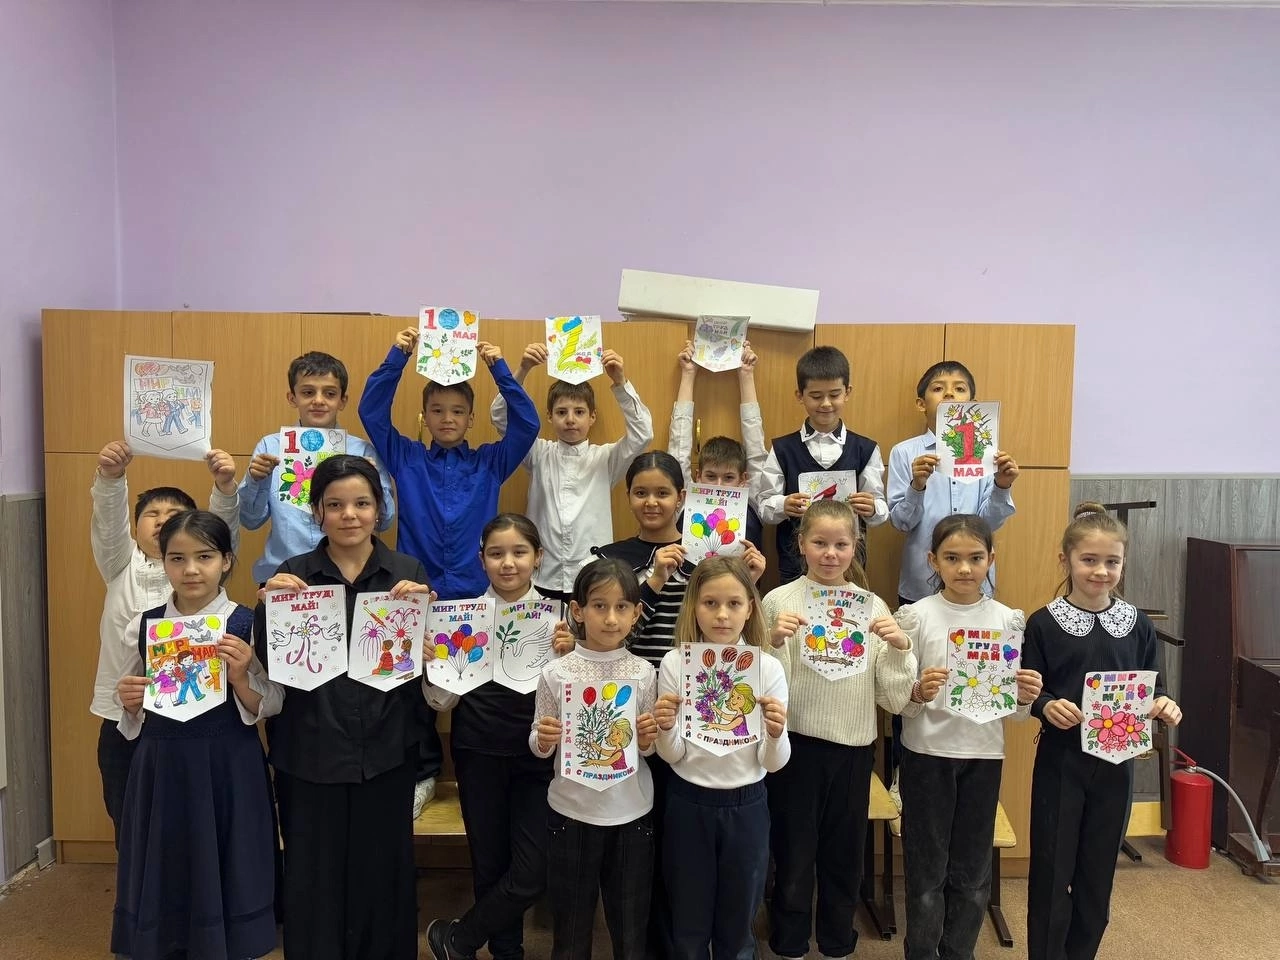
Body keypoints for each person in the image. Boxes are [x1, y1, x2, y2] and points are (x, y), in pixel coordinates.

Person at [254, 455, 433, 960]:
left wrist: (428, 624)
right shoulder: (292, 575)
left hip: (387, 748)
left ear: (378, 510)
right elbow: (271, 665)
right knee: (313, 874)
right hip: (309, 749)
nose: (348, 515)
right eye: (334, 505)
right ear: (317, 512)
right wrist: (267, 607)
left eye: (361, 503)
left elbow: (426, 668)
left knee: (384, 871)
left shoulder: (407, 574)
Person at [360, 329, 538, 817]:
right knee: (412, 691)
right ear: (425, 416)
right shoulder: (406, 457)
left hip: (477, 597)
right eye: (437, 410)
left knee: (475, 690)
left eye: (457, 411)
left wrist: (500, 369)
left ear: (470, 418)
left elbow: (527, 424)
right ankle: (422, 775)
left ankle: (475, 777)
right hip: (416, 595)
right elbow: (371, 412)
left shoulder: (490, 463)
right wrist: (398, 356)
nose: (447, 419)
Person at [594, 451, 766, 958]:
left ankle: (695, 942)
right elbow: (615, 637)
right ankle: (657, 946)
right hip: (633, 709)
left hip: (698, 717)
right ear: (627, 497)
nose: (652, 502)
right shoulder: (613, 558)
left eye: (663, 493)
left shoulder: (708, 558)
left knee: (690, 851)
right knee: (651, 850)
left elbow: (732, 628)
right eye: (641, 493)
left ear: (683, 498)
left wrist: (751, 579)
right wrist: (651, 581)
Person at [111, 510, 280, 960]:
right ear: (162, 562)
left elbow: (271, 702)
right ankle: (164, 937)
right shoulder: (144, 625)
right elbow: (128, 702)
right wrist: (129, 701)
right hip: (163, 761)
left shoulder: (247, 622)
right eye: (177, 558)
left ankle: (231, 941)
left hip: (229, 760)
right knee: (167, 850)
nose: (190, 570)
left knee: (230, 852)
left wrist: (241, 677)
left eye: (204, 557)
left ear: (226, 561)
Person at [1022, 503, 1182, 960]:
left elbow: (1154, 688)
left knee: (1097, 876)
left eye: (1112, 561)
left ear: (1123, 563)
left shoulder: (1138, 625)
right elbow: (1027, 690)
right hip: (1061, 763)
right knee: (1052, 872)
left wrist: (1164, 705)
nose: (1101, 571)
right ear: (1066, 560)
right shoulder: (1043, 623)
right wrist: (1045, 704)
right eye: (1089, 560)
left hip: (1117, 766)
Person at [761, 500, 916, 960]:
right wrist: (773, 642)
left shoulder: (872, 607)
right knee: (793, 851)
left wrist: (900, 648)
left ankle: (836, 940)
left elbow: (892, 698)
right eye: (820, 543)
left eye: (841, 544)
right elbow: (761, 687)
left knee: (844, 853)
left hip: (853, 748)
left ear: (855, 547)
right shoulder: (778, 602)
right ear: (801, 544)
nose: (830, 553)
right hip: (795, 745)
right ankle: (789, 941)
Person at [893, 514, 1042, 960]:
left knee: (973, 872)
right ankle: (921, 952)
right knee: (926, 871)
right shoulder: (916, 617)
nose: (964, 568)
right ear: (932, 561)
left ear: (991, 560)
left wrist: (1024, 696)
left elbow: (1014, 712)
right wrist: (917, 690)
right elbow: (898, 696)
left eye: (976, 558)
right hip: (926, 755)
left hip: (983, 756)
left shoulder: (1007, 620)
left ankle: (960, 952)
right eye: (952, 558)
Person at [424, 514, 573, 960]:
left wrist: (571, 656)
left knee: (533, 869)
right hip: (478, 751)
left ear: (538, 557)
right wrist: (435, 665)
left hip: (539, 756)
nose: (508, 563)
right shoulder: (461, 616)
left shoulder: (562, 618)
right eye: (496, 554)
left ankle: (459, 938)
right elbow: (440, 702)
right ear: (482, 560)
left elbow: (578, 695)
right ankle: (507, 952)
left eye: (519, 552)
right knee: (489, 862)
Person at [90, 439, 240, 848]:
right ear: (135, 527)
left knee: (189, 822)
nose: (161, 521)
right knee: (129, 816)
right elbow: (108, 523)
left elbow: (221, 532)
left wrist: (225, 488)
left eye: (174, 515)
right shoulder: (120, 565)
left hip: (195, 714)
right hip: (125, 714)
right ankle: (137, 887)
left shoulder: (203, 574)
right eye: (151, 515)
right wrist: (111, 478)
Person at [654, 556, 790, 960]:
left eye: (734, 603)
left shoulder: (767, 669)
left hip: (747, 805)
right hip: (688, 802)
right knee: (688, 919)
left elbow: (774, 763)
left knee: (738, 920)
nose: (722, 615)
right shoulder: (675, 663)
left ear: (750, 609)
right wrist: (665, 727)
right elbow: (672, 754)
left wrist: (775, 733)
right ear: (694, 607)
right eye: (710, 603)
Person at [529, 558, 660, 960]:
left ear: (636, 613)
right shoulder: (556, 672)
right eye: (600, 606)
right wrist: (543, 739)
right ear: (578, 610)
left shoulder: (643, 672)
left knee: (631, 930)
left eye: (622, 607)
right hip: (571, 814)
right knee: (570, 930)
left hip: (631, 814)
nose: (611, 618)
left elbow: (647, 748)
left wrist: (648, 739)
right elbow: (538, 740)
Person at [489, 343, 653, 604]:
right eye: (561, 412)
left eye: (579, 412)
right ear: (549, 417)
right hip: (543, 576)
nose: (570, 419)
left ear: (592, 417)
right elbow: (500, 417)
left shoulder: (606, 458)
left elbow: (643, 434)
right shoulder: (538, 452)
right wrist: (523, 370)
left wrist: (620, 382)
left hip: (592, 575)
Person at [238, 350, 396, 584]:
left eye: (330, 393)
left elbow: (385, 521)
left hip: (348, 579)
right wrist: (255, 480)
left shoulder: (361, 452)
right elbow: (250, 520)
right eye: (308, 392)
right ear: (292, 397)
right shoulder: (271, 447)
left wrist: (374, 485)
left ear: (342, 401)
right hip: (284, 579)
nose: (319, 400)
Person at [886, 360, 1019, 607]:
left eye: (959, 389)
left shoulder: (987, 454)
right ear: (921, 404)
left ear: (973, 404)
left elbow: (989, 524)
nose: (949, 394)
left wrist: (1002, 486)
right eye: (938, 388)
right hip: (921, 581)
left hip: (974, 581)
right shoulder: (904, 453)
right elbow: (901, 522)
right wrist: (917, 487)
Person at [755, 345, 887, 583]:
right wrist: (784, 504)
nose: (826, 403)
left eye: (834, 394)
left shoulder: (865, 449)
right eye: (816, 396)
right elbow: (764, 507)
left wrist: (872, 508)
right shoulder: (783, 449)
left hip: (849, 568)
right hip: (795, 566)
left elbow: (880, 509)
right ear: (800, 395)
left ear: (847, 392)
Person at [667, 339, 765, 549]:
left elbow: (756, 448)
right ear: (698, 476)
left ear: (743, 480)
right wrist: (688, 374)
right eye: (711, 476)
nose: (719, 486)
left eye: (728, 478)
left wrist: (746, 375)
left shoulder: (753, 502)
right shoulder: (685, 501)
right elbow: (679, 447)